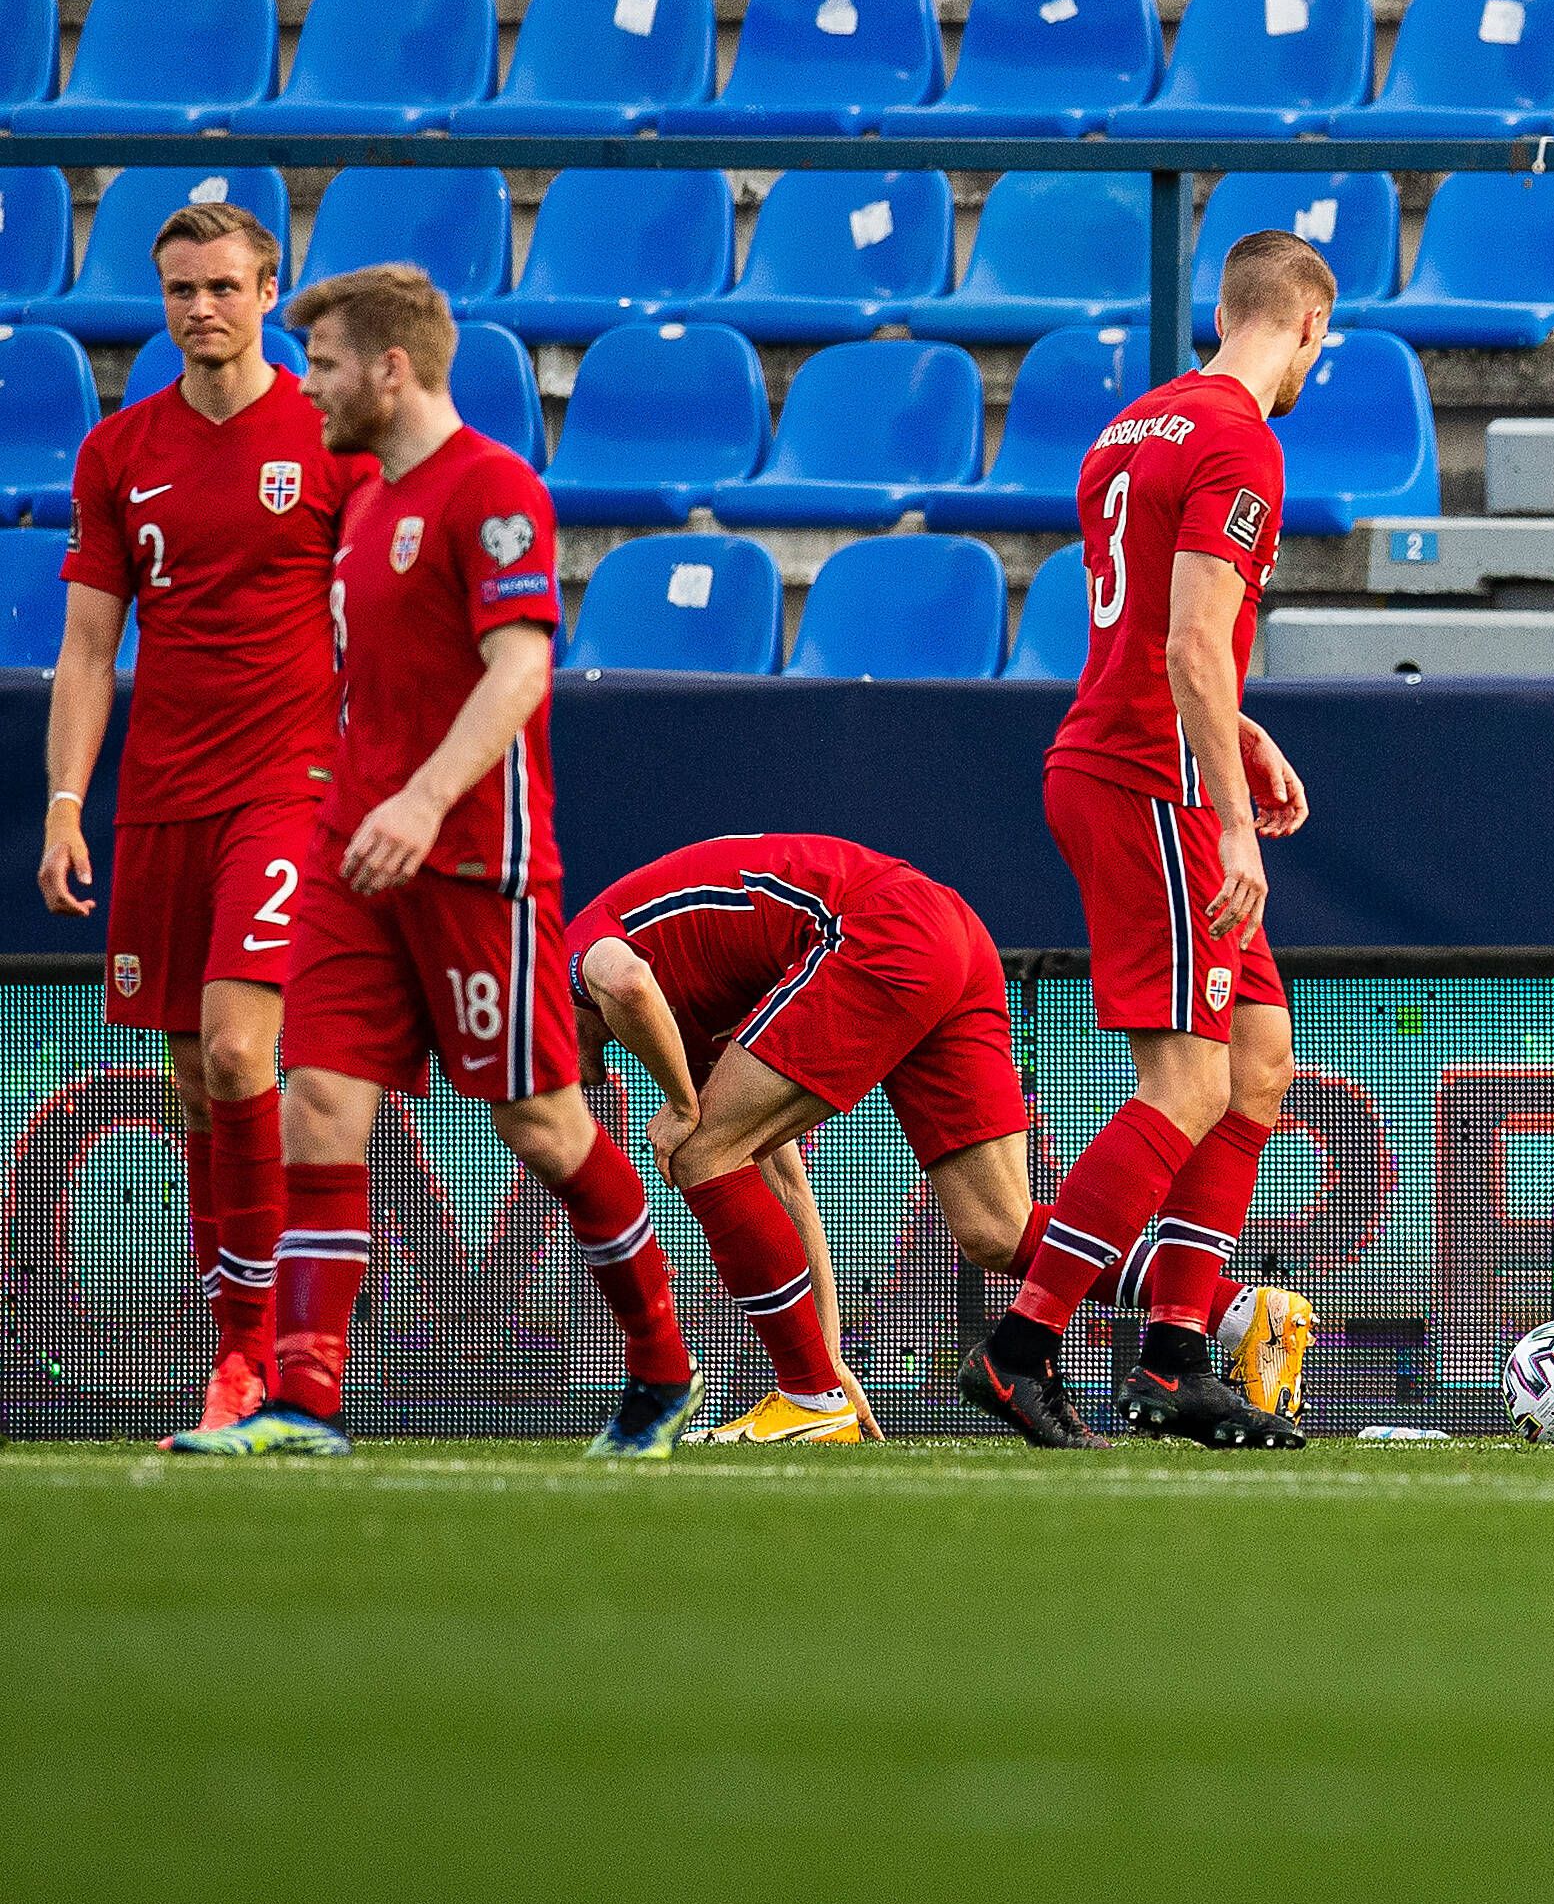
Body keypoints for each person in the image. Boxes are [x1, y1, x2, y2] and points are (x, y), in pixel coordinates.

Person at [166, 264, 698, 1458]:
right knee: (319, 1101)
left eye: (329, 367)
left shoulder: (494, 491)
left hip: (473, 865)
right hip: (359, 861)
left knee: (541, 1124)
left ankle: (663, 1365)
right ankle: (302, 1399)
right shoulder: (361, 506)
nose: (311, 389)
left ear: (391, 371)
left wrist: (420, 799)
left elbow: (519, 673)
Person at [951, 233, 1322, 1452]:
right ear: (1308, 328)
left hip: (1127, 751)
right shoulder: (1242, 442)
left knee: (1257, 1057)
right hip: (1146, 785)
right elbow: (1187, 644)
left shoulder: (1134, 427)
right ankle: (1023, 1348)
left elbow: (1154, 632)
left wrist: (1242, 729)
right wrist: (1229, 822)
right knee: (1187, 1082)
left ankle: (1171, 1362)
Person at [38, 199, 366, 1444]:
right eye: (181, 290)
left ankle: (267, 1355)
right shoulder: (121, 451)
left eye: (224, 286)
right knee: (190, 1080)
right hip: (161, 800)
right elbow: (86, 644)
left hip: (290, 788)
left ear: (269, 292)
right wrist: (67, 802)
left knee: (239, 1055)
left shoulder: (326, 437)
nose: (201, 309)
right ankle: (235, 1348)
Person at [569, 833, 1039, 1446]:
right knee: (1000, 1230)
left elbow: (626, 983)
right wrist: (832, 1361)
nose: (558, 1089)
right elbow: (786, 1182)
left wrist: (684, 1108)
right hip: (950, 930)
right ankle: (1197, 1318)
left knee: (699, 1149)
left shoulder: (567, 959)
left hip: (878, 927)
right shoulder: (688, 1005)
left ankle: (808, 1399)